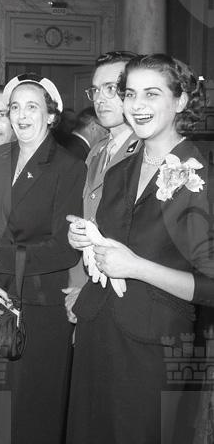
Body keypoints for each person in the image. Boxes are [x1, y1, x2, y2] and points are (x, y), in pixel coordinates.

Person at [66, 54, 213, 443]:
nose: (137, 105)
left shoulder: (201, 177)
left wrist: (135, 267)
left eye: (152, 94)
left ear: (180, 101)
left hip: (153, 346)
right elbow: (118, 241)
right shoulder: (120, 170)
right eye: (130, 94)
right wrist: (89, 241)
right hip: (97, 331)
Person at [0, 74, 85, 444]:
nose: (20, 116)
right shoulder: (0, 156)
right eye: (14, 108)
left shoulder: (69, 167)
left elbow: (63, 248)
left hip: (40, 306)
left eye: (31, 107)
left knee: (32, 416)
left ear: (51, 116)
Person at [64, 50, 140, 320]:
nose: (99, 98)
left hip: (129, 295)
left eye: (110, 88)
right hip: (92, 284)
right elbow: (88, 220)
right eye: (95, 90)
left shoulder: (147, 152)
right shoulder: (97, 151)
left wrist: (88, 293)